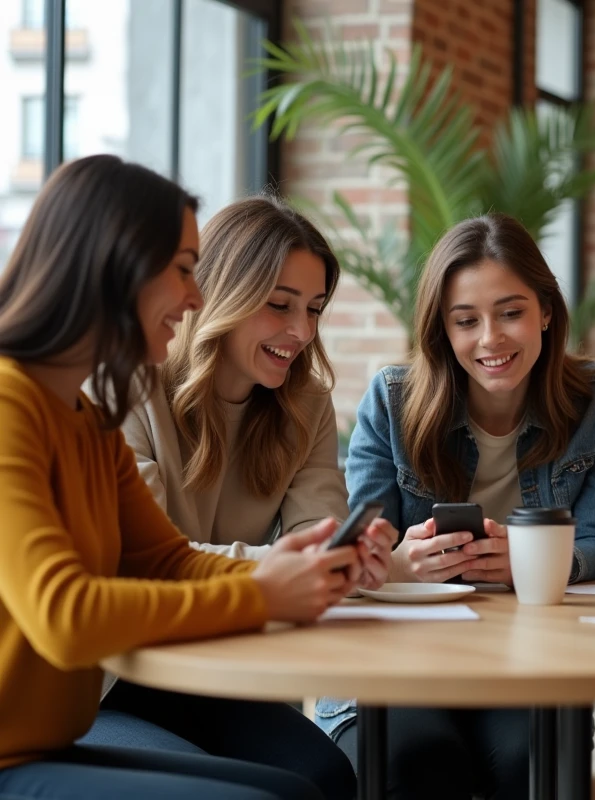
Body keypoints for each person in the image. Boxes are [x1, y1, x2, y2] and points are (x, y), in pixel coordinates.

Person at [0, 155, 366, 799]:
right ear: (113, 266)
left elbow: (165, 561)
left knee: (312, 787)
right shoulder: (9, 404)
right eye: (182, 271)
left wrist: (298, 570)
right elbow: (64, 613)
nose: (196, 298)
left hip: (43, 744)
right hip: (15, 756)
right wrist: (263, 593)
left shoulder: (88, 418)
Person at [79, 196, 398, 798]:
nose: (301, 332)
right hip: (108, 677)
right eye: (279, 305)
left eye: (314, 309)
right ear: (217, 293)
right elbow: (145, 564)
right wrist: (281, 569)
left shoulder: (304, 407)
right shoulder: (123, 388)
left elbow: (319, 539)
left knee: (326, 775)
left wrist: (350, 558)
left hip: (216, 673)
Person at [315, 212, 595, 799]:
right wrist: (400, 564)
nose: (490, 339)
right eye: (466, 321)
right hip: (399, 662)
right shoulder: (392, 401)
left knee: (535, 760)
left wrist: (532, 561)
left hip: (529, 661)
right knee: (415, 760)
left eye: (511, 312)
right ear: (443, 330)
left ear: (546, 310)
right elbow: (362, 549)